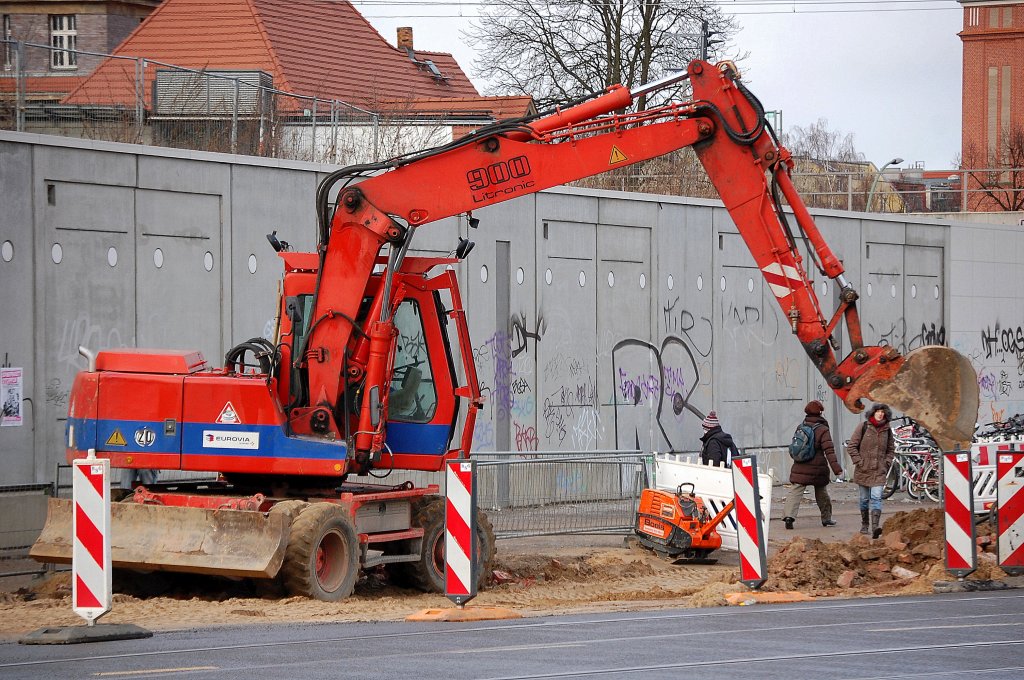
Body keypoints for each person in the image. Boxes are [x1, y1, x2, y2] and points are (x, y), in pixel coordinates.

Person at [782, 400, 843, 530]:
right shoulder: (822, 429)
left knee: (796, 491)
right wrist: (836, 468)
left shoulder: (801, 426)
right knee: (821, 492)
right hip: (817, 467)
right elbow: (829, 450)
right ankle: (826, 518)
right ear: (820, 412)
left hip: (800, 465)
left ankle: (789, 517)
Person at [847, 403, 895, 539]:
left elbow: (891, 450)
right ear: (873, 413)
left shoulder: (887, 430)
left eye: (883, 412)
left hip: (879, 470)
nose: (880, 414)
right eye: (878, 411)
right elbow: (852, 447)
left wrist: (886, 463)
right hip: (864, 470)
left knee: (876, 497)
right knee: (864, 499)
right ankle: (865, 524)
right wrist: (859, 462)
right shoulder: (863, 427)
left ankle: (875, 528)